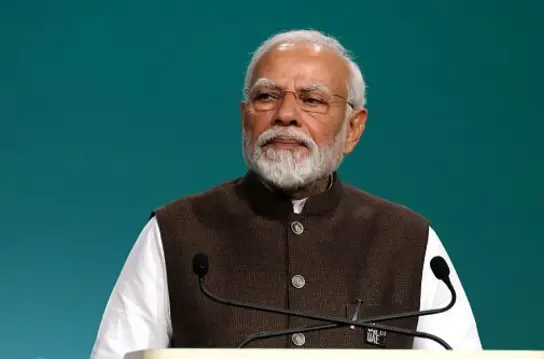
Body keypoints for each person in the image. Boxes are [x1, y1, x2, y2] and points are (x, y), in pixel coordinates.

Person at [89, 29, 482, 359]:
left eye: (312, 100)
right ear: (245, 117)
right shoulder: (176, 231)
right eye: (266, 96)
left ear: (354, 128)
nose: (286, 114)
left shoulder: (409, 241)